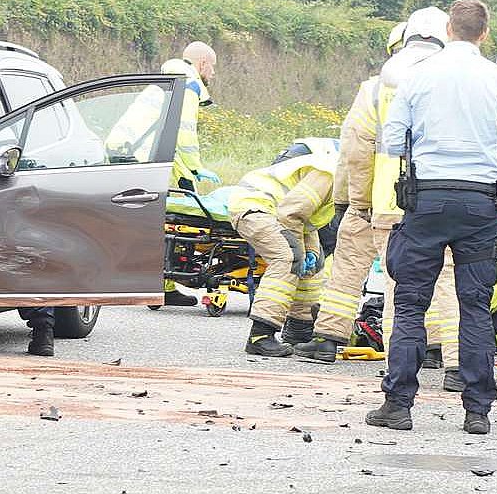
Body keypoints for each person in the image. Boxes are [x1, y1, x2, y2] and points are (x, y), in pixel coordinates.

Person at [366, 0, 497, 435]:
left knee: (410, 303)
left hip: (427, 200)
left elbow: (393, 141)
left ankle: (398, 404)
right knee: (474, 306)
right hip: (481, 205)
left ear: (449, 30)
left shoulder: (418, 76)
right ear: (484, 34)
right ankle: (477, 411)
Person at [292, 27, 405, 363]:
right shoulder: (450, 86)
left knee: (348, 265)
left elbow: (353, 152)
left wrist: (348, 201)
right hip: (430, 204)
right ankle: (427, 348)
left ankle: (328, 338)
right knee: (419, 276)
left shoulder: (374, 89)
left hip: (375, 201)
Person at [107, 41, 219, 307]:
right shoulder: (188, 85)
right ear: (203, 63)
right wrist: (194, 169)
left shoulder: (170, 80)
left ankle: (161, 288)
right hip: (140, 156)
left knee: (156, 222)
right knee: (156, 222)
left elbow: (168, 136)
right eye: (213, 67)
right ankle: (147, 285)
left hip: (128, 151)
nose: (213, 74)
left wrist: (186, 177)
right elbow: (184, 134)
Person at [226, 149, 339, 356]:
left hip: (281, 212)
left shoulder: (343, 177)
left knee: (315, 263)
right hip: (256, 206)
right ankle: (260, 335)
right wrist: (300, 250)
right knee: (288, 258)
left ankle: (299, 330)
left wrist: (311, 251)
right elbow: (291, 214)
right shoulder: (329, 174)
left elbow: (307, 220)